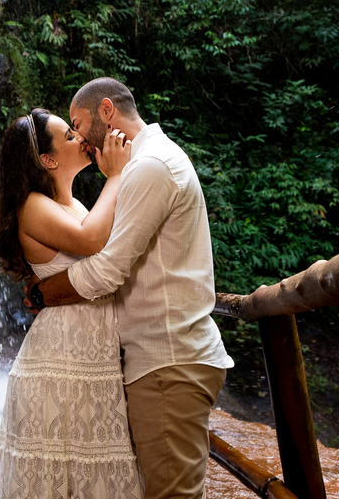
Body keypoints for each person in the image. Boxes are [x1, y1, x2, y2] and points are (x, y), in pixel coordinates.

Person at [25, 78, 233, 499]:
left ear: (106, 111)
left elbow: (106, 271)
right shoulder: (146, 164)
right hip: (158, 361)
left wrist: (44, 293)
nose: (79, 137)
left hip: (167, 361)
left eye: (78, 124)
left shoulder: (149, 167)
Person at [0, 107, 143, 499]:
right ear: (48, 160)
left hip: (86, 354)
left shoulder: (73, 204)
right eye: (70, 137)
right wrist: (117, 174)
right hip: (60, 359)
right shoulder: (32, 205)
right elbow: (91, 241)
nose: (83, 139)